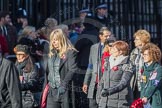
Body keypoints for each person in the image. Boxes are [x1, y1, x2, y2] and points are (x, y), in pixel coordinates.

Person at [43, 28, 78, 108]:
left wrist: (63, 85)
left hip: (64, 91)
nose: (54, 42)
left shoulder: (70, 52)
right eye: (52, 40)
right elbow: (48, 72)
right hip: (51, 91)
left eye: (56, 39)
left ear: (61, 39)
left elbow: (72, 69)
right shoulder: (51, 53)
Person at [96, 40, 133, 108]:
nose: (111, 49)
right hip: (104, 103)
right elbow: (102, 81)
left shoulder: (128, 65)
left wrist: (109, 91)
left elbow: (124, 83)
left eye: (113, 48)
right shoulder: (108, 62)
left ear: (120, 52)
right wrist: (98, 98)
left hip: (120, 103)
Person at [82, 27, 112, 108]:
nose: (108, 38)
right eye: (106, 36)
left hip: (106, 83)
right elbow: (90, 66)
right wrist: (85, 82)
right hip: (94, 83)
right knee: (92, 105)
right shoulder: (93, 47)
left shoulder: (113, 47)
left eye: (109, 36)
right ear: (100, 36)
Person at [129, 29, 151, 100]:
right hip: (135, 84)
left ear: (142, 40)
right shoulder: (134, 51)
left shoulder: (150, 51)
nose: (134, 41)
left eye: (136, 39)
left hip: (146, 84)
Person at [140, 43, 162, 108]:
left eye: (146, 54)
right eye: (143, 54)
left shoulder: (159, 69)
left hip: (155, 101)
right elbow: (143, 84)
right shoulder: (143, 68)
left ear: (153, 55)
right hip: (144, 101)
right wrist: (142, 97)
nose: (143, 56)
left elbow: (153, 84)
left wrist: (146, 96)